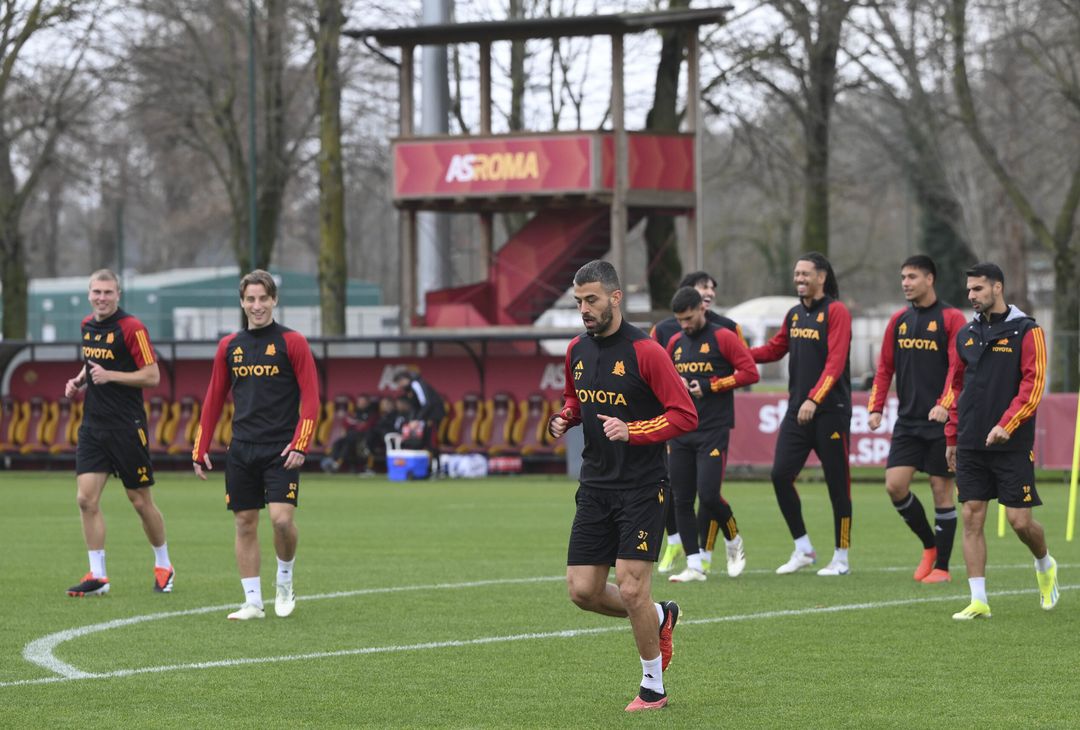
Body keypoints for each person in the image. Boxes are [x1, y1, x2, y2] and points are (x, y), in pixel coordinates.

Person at [548, 260, 698, 712]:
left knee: (632, 588)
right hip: (594, 484)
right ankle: (660, 616)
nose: (584, 309)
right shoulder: (576, 349)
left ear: (615, 298)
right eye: (578, 302)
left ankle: (653, 685)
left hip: (641, 485)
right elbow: (578, 399)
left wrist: (635, 431)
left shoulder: (646, 351)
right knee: (583, 591)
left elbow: (685, 414)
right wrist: (566, 416)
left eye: (591, 300)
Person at [192, 270, 320, 620]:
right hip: (241, 449)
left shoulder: (293, 342)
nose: (257, 305)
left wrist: (300, 444)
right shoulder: (229, 346)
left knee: (280, 521)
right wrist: (200, 446)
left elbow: (311, 399)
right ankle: (252, 602)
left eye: (263, 298)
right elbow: (214, 398)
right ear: (242, 302)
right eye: (251, 299)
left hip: (281, 449)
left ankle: (285, 581)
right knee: (245, 523)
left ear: (274, 300)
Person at [945, 263, 1057, 619]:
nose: (971, 296)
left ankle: (1044, 563)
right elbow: (955, 387)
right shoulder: (965, 335)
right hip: (970, 441)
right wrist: (951, 436)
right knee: (972, 516)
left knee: (1019, 522)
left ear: (997, 287)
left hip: (1011, 442)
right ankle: (978, 599)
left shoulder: (1027, 330)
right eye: (968, 290)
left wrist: (1008, 424)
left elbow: (1034, 384)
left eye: (978, 289)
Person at [64, 269, 174, 597]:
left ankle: (164, 565)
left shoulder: (132, 328)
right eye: (96, 292)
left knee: (139, 500)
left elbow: (152, 376)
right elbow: (91, 362)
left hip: (127, 427)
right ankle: (98, 576)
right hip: (93, 427)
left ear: (118, 295)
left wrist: (110, 375)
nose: (101, 298)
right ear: (89, 294)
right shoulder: (87, 326)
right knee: (85, 499)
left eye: (108, 292)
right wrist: (79, 379)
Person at [750, 252, 853, 576]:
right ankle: (803, 547)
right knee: (780, 475)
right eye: (797, 274)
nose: (799, 279)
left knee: (838, 485)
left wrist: (814, 399)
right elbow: (773, 349)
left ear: (822, 277)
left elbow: (835, 364)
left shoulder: (836, 312)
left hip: (830, 412)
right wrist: (736, 355)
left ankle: (842, 557)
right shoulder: (794, 315)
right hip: (798, 410)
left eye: (805, 274)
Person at [868, 255, 966, 583]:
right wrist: (875, 407)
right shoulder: (898, 320)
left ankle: (943, 568)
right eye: (902, 277)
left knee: (941, 490)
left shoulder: (952, 319)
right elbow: (884, 368)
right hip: (908, 422)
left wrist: (944, 405)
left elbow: (958, 369)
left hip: (941, 423)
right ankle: (929, 546)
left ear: (930, 279)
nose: (905, 283)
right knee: (894, 486)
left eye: (911, 277)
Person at [650, 271, 745, 575]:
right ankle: (694, 565)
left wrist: (711, 385)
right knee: (681, 497)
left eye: (689, 318)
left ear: (702, 309)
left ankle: (733, 537)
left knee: (709, 495)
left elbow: (749, 372)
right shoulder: (675, 341)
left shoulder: (724, 336)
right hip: (680, 429)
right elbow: (659, 376)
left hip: (712, 429)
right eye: (680, 320)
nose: (684, 325)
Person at [393, 368, 446, 468]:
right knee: (422, 443)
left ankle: (437, 469)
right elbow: (415, 407)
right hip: (424, 417)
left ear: (404, 380)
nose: (399, 386)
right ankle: (423, 468)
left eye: (399, 383)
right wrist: (412, 420)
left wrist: (417, 420)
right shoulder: (408, 389)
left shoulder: (416, 384)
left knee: (431, 441)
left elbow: (426, 403)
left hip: (433, 416)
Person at [321, 394, 379, 474]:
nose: (361, 403)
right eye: (359, 401)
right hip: (350, 436)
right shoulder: (353, 413)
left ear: (368, 403)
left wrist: (355, 424)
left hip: (363, 437)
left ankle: (336, 465)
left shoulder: (372, 414)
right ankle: (333, 461)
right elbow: (346, 423)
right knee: (338, 443)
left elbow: (365, 427)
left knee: (348, 443)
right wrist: (356, 424)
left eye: (363, 402)